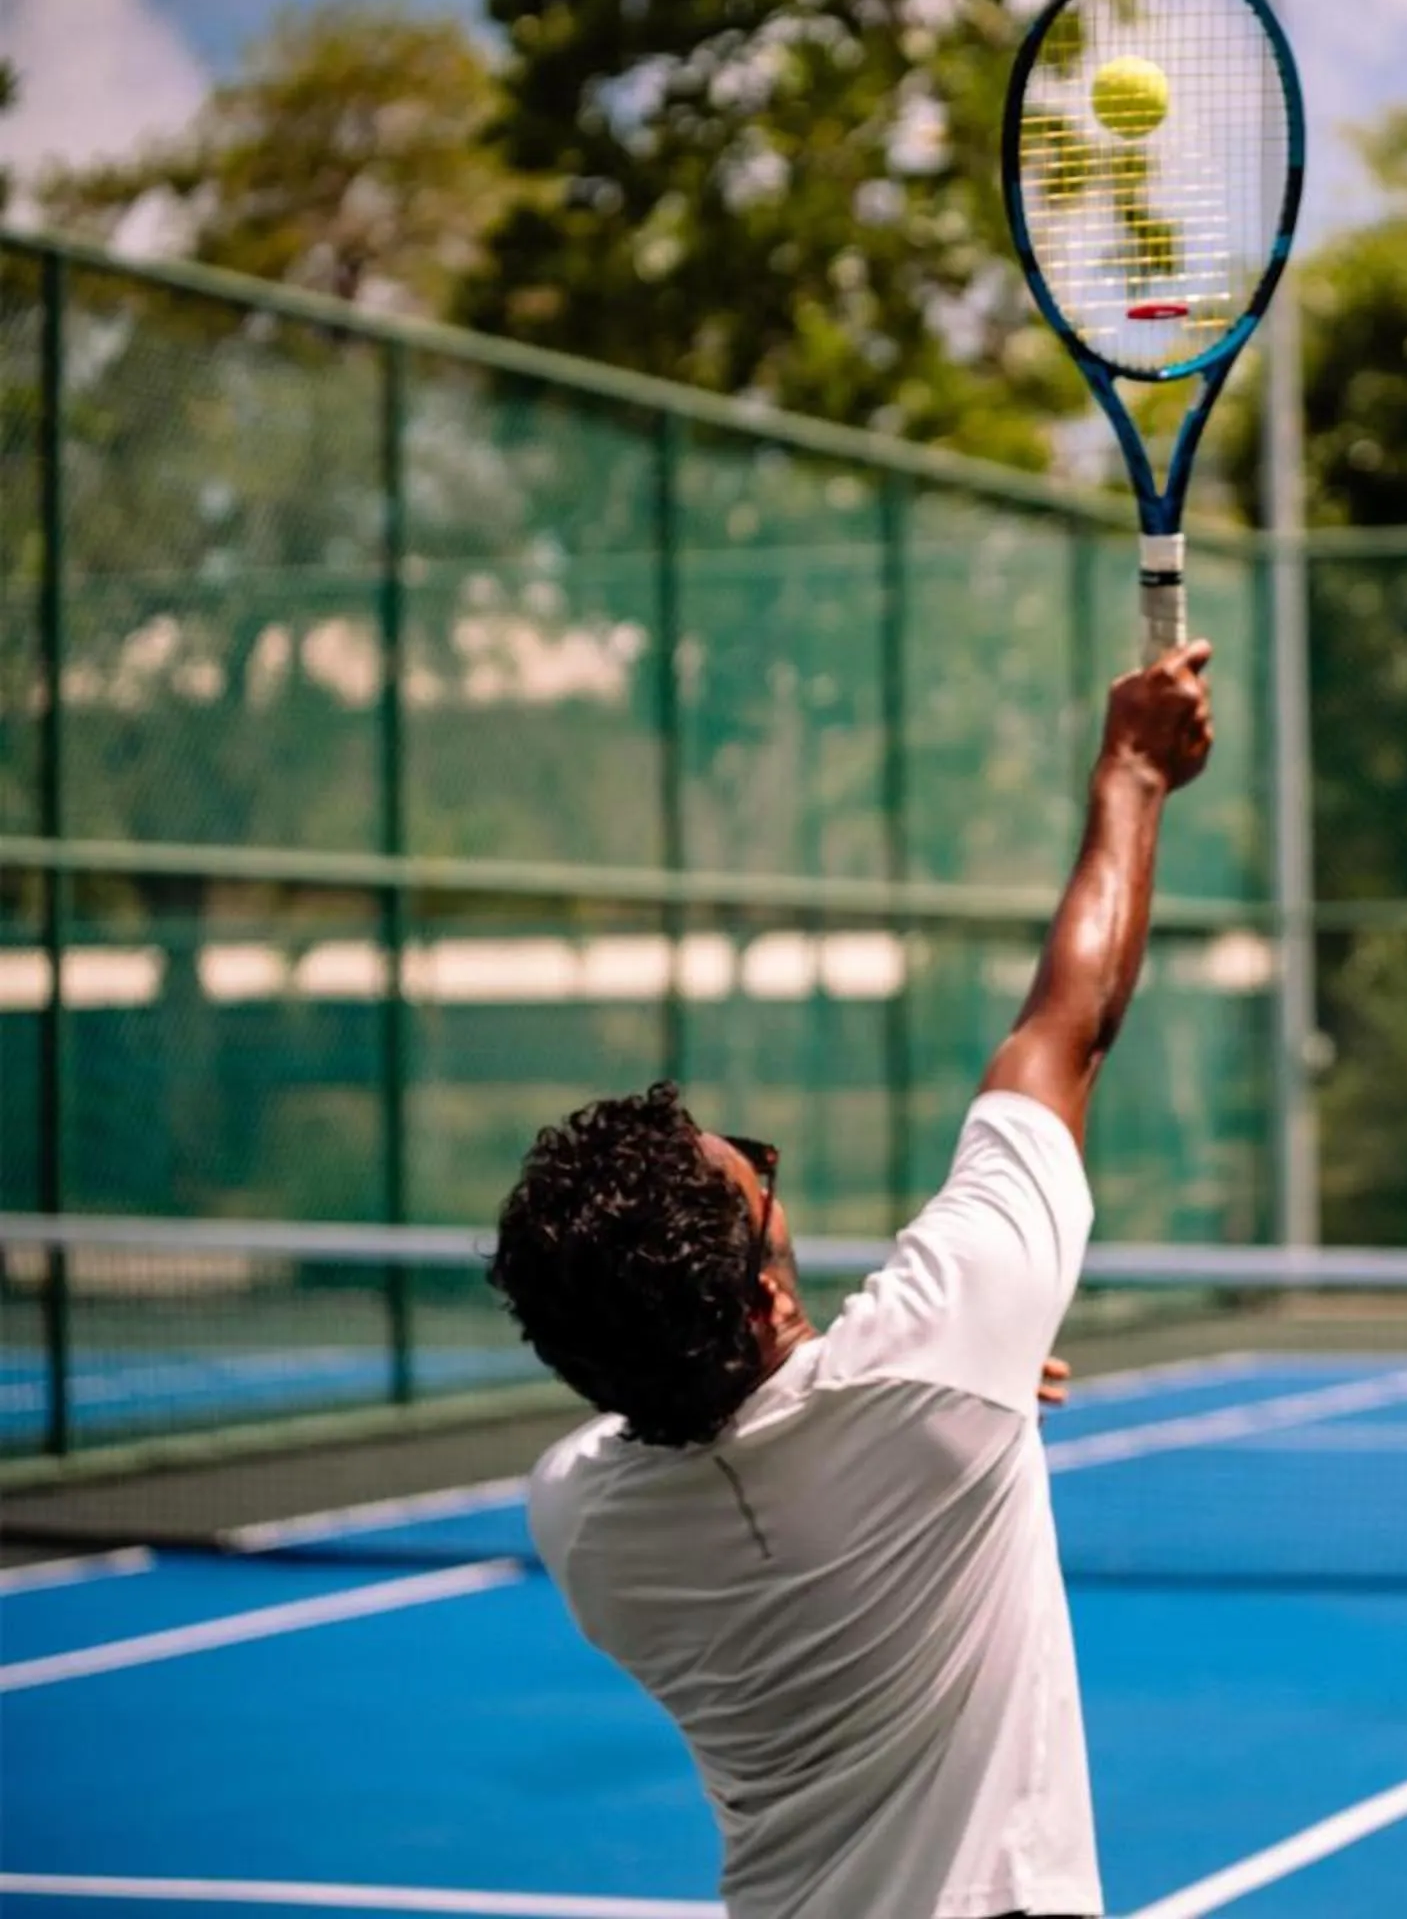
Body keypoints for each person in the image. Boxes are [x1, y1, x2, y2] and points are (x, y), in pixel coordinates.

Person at [486, 643, 1216, 1919]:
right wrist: (1135, 770)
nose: (773, 1179)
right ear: (766, 1295)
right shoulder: (934, 1362)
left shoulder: (585, 1528)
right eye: (760, 1182)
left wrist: (962, 1393)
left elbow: (678, 1409)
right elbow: (1069, 1023)